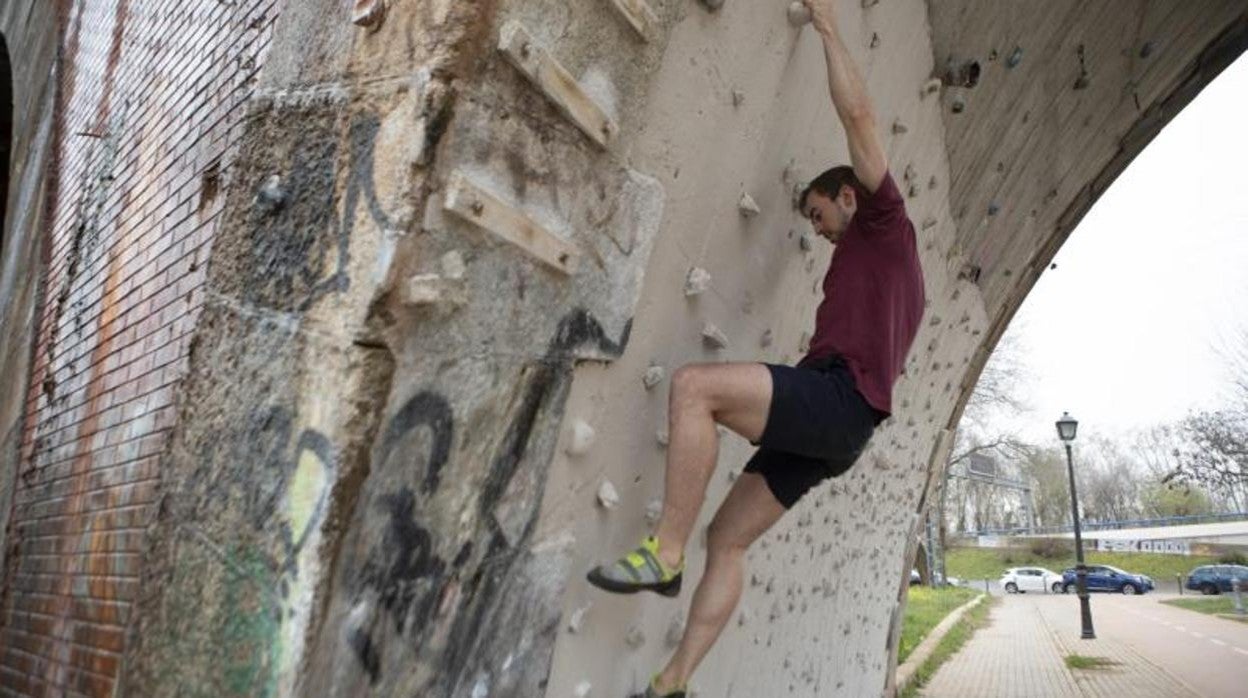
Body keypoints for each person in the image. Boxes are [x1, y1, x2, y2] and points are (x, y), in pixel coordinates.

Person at [586, 0, 926, 695]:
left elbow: (859, 119)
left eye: (818, 213)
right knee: (730, 539)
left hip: (839, 400)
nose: (818, 229)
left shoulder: (883, 222)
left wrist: (828, 25)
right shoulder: (889, 272)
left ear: (848, 197)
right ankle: (672, 682)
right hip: (842, 428)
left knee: (694, 389)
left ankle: (664, 553)